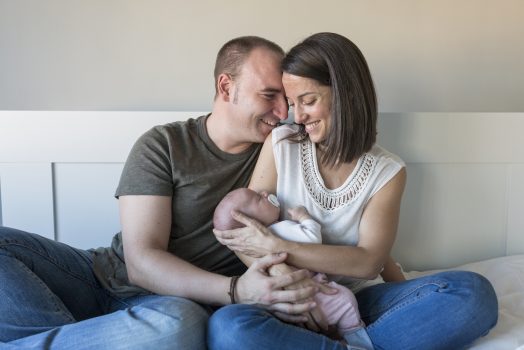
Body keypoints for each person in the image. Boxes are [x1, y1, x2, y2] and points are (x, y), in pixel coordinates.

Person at [0, 36, 323, 349]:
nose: (283, 112)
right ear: (226, 87)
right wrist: (237, 289)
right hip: (97, 278)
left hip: (169, 307)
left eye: (286, 99)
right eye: (269, 96)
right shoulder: (164, 144)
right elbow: (140, 261)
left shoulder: (284, 152)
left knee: (180, 325)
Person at [209, 32, 499, 350]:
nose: (297, 116)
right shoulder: (280, 145)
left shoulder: (387, 172)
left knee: (473, 294)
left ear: (345, 95)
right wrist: (293, 286)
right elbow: (245, 234)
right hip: (291, 296)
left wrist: (277, 245)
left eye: (307, 100)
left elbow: (367, 263)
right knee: (228, 329)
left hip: (359, 302)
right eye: (293, 104)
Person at [214, 187, 374, 349]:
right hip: (311, 293)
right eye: (258, 198)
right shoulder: (280, 230)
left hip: (287, 303)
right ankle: (357, 338)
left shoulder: (264, 242)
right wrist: (304, 217)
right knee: (345, 300)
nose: (264, 192)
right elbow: (312, 239)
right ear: (251, 223)